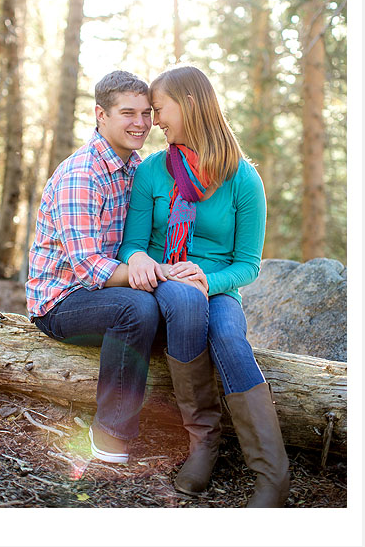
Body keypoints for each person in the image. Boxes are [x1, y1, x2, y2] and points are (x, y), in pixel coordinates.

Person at [117, 64, 289, 508]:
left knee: (231, 338)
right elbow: (132, 245)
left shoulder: (243, 179)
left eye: (159, 109)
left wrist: (208, 279)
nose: (154, 121)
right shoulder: (152, 172)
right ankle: (204, 444)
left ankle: (272, 474)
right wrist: (146, 263)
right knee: (184, 297)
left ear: (189, 103)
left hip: (216, 288)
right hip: (163, 280)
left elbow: (249, 265)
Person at [26, 70, 170, 464]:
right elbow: (89, 269)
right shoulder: (82, 174)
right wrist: (155, 274)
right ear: (100, 115)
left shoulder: (136, 168)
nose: (140, 124)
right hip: (62, 300)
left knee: (171, 307)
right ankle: (109, 435)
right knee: (137, 307)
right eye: (128, 113)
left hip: (108, 292)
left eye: (146, 113)